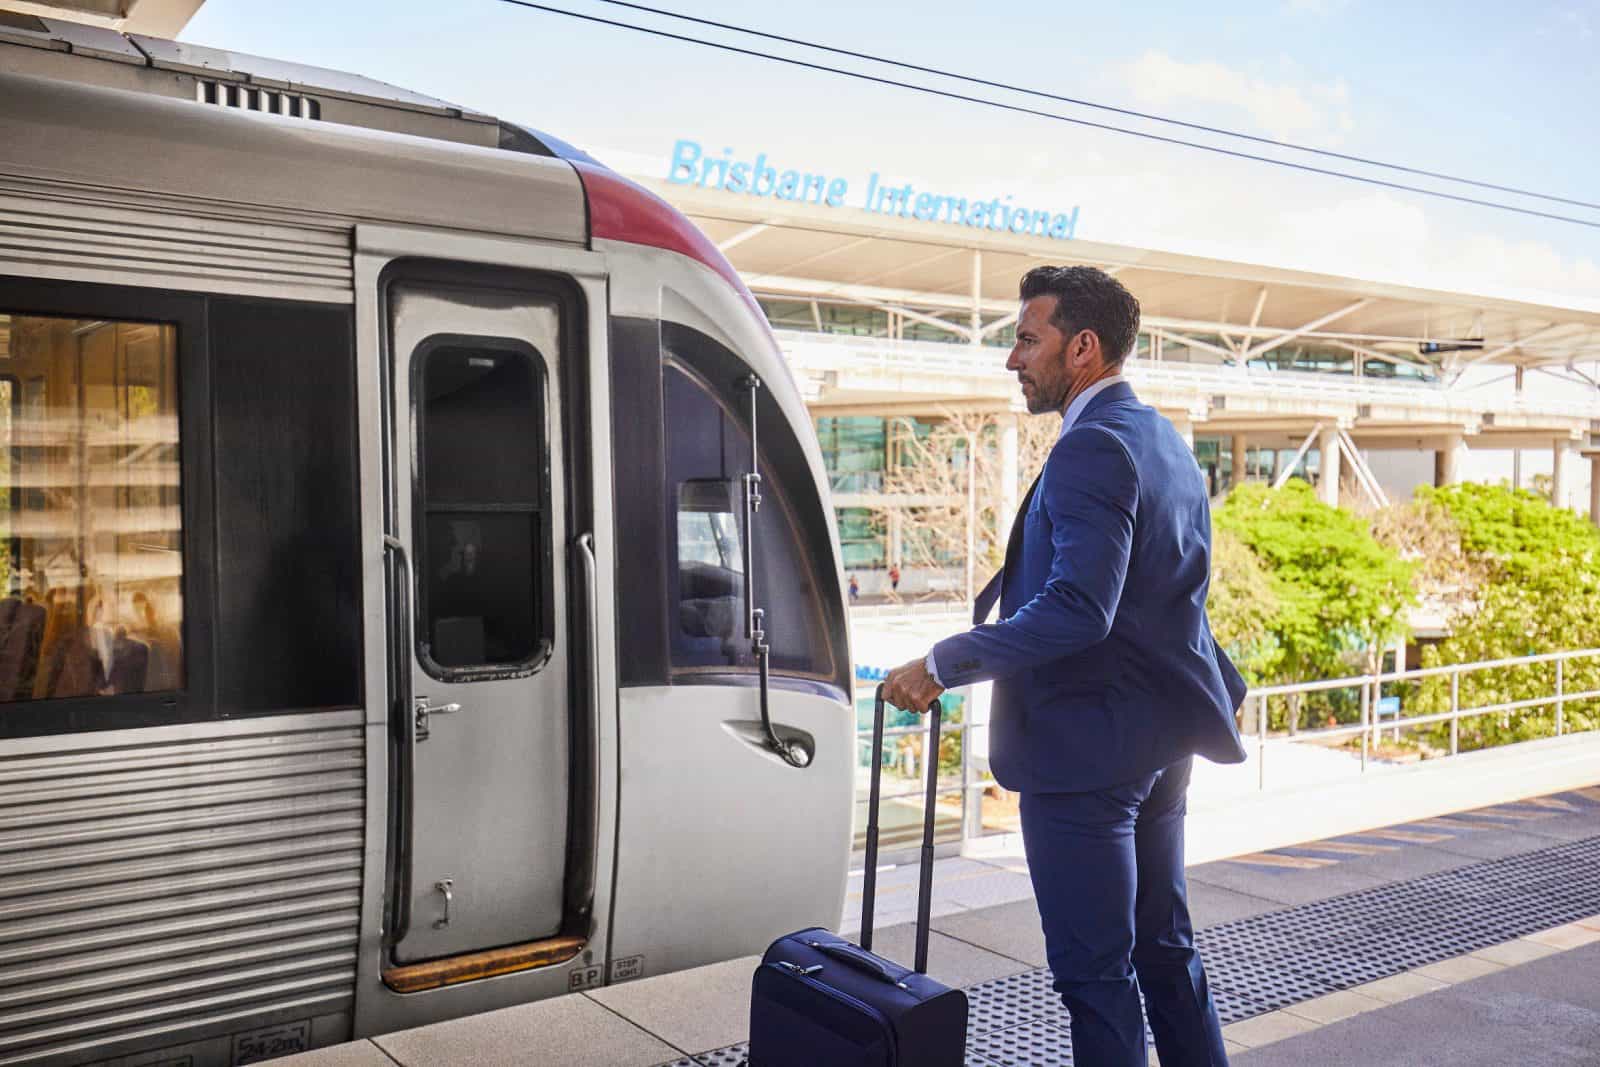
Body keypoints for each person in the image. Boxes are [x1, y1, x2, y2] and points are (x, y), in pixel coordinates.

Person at [882, 266, 1246, 1067]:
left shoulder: (1091, 447)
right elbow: (1162, 591)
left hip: (1087, 757)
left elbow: (1082, 608)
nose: (1014, 359)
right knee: (1165, 952)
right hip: (1159, 743)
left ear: (1082, 347)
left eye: (1026, 338)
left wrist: (942, 662)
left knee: (1095, 974)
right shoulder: (1163, 440)